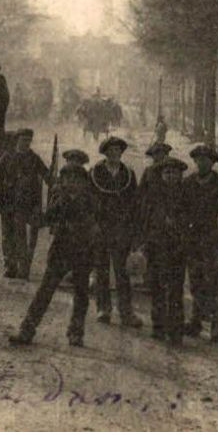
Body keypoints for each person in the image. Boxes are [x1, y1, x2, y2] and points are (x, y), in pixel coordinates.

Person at [9, 151, 96, 347]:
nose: (71, 182)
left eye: (76, 178)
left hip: (83, 252)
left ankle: (76, 332)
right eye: (67, 178)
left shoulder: (90, 200)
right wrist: (37, 219)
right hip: (61, 251)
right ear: (63, 180)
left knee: (81, 294)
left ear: (83, 182)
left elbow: (96, 223)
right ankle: (27, 329)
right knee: (45, 291)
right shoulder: (60, 199)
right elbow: (49, 218)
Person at [89, 136, 143, 327]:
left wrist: (132, 230)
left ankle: (126, 312)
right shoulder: (95, 172)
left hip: (121, 229)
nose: (114, 153)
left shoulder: (128, 174)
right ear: (105, 152)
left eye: (117, 150)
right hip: (102, 228)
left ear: (121, 153)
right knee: (102, 269)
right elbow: (89, 201)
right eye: (110, 150)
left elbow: (135, 204)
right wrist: (93, 224)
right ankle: (104, 309)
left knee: (123, 271)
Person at [183, 143, 218, 343]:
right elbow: (181, 210)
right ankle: (196, 320)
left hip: (212, 238)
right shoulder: (188, 183)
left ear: (212, 162)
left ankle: (216, 324)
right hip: (193, 238)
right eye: (199, 160)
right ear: (195, 161)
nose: (202, 163)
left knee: (211, 280)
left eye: (207, 160)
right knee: (195, 279)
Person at [0, 128, 49, 279]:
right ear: (17, 140)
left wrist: (56, 183)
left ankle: (22, 267)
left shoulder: (34, 158)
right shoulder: (7, 157)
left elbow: (47, 175)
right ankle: (10, 265)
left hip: (26, 204)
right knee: (7, 235)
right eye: (23, 140)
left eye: (29, 141)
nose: (26, 143)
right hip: (8, 202)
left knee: (21, 235)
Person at [144, 156, 189, 344]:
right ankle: (158, 326)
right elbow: (145, 218)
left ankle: (176, 329)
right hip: (157, 246)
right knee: (157, 287)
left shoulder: (186, 193)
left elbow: (190, 217)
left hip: (178, 248)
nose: (170, 176)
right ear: (161, 175)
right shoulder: (154, 195)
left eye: (174, 173)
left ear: (180, 176)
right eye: (167, 172)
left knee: (176, 289)